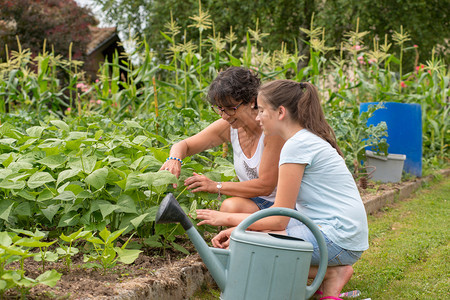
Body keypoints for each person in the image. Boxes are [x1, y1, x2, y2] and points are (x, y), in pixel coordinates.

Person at [196, 80, 369, 300]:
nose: (257, 117)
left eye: (261, 110)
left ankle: (330, 272)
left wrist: (227, 219)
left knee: (249, 249)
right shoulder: (303, 140)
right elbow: (288, 215)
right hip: (339, 233)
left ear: (280, 112)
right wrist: (241, 230)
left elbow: (279, 219)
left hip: (337, 237)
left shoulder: (296, 146)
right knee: (245, 239)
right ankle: (331, 272)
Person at [160, 67, 285, 219]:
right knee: (229, 208)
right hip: (254, 202)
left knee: (229, 208)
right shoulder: (229, 126)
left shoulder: (271, 130)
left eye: (230, 108)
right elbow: (184, 145)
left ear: (252, 101)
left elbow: (266, 186)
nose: (225, 116)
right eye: (219, 109)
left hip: (282, 205)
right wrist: (174, 159)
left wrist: (216, 186)